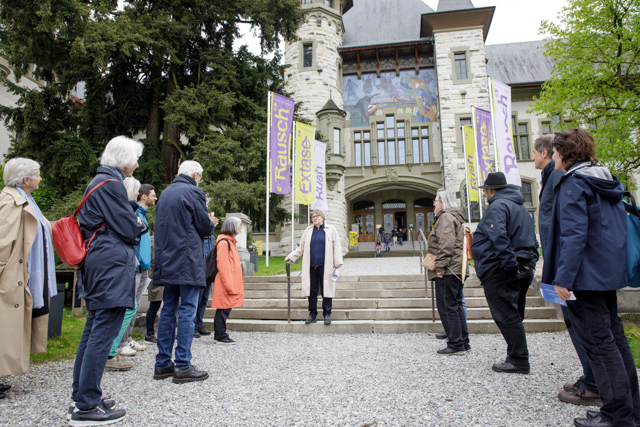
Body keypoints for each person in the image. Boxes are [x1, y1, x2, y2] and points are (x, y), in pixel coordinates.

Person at [543, 129, 640, 427]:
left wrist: (563, 279)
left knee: (599, 345)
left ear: (566, 153)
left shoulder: (574, 184)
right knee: (615, 341)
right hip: (605, 274)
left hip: (583, 278)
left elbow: (573, 237)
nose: (553, 157)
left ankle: (616, 416)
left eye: (556, 152)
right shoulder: (604, 179)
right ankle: (631, 410)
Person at [70, 136, 144, 426]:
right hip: (111, 264)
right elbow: (130, 228)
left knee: (93, 332)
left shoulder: (99, 182)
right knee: (102, 335)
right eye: (134, 158)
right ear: (124, 159)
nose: (136, 164)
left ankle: (83, 396)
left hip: (99, 263)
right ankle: (86, 406)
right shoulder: (112, 185)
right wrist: (138, 222)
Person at [534, 135, 600, 406]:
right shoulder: (553, 176)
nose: (533, 158)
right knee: (575, 324)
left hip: (565, 266)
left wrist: (561, 271)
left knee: (580, 325)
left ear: (548, 152)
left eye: (535, 153)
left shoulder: (562, 177)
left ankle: (595, 383)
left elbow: (567, 227)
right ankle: (591, 377)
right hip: (559, 262)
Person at [153, 160, 217, 384]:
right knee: (188, 311)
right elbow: (204, 227)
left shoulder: (165, 193)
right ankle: (182, 365)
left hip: (167, 259)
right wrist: (211, 222)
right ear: (196, 175)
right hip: (187, 261)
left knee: (169, 310)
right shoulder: (193, 192)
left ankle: (162, 364)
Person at [470, 171, 539, 375]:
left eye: (486, 192)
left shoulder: (498, 206)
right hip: (521, 266)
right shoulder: (520, 207)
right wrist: (532, 262)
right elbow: (532, 236)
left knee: (506, 315)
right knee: (514, 314)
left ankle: (519, 359)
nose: (485, 195)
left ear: (492, 190)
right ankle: (515, 355)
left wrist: (510, 265)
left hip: (502, 269)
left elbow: (499, 237)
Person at [0, 158, 56, 400]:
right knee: (5, 328)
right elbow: (2, 243)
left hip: (27, 274)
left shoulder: (26, 199)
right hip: (12, 277)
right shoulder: (10, 202)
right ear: (26, 180)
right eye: (38, 174)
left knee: (10, 327)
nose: (40, 178)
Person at [104, 178, 147, 372]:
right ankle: (111, 350)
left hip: (130, 262)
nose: (138, 195)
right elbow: (132, 233)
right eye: (136, 191)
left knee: (129, 306)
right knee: (128, 307)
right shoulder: (124, 208)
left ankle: (114, 348)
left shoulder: (131, 208)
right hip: (123, 263)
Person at [427, 189, 469, 355]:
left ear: (443, 202)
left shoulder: (445, 217)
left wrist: (440, 267)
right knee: (456, 305)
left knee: (448, 306)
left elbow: (445, 244)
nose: (434, 203)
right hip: (456, 268)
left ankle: (456, 344)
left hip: (449, 270)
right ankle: (463, 341)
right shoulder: (453, 216)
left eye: (436, 200)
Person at [285, 210, 343, 325]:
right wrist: (291, 257)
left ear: (322, 217)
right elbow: (301, 248)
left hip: (325, 265)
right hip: (311, 265)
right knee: (312, 290)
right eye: (313, 217)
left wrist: (337, 261)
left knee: (326, 289)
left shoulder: (330, 229)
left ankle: (327, 314)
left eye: (317, 216)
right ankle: (312, 314)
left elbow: (337, 246)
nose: (315, 218)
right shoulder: (308, 231)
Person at [211, 216, 245, 344]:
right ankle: (220, 335)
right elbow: (223, 265)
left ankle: (221, 333)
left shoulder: (230, 242)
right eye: (239, 224)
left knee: (225, 308)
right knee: (223, 309)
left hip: (230, 282)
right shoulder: (224, 242)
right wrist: (229, 285)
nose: (241, 227)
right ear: (232, 226)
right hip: (226, 282)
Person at [194, 232, 216, 338]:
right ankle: (192, 326)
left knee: (203, 300)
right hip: (200, 271)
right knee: (197, 299)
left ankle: (199, 324)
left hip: (208, 271)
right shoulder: (200, 234)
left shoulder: (211, 237)